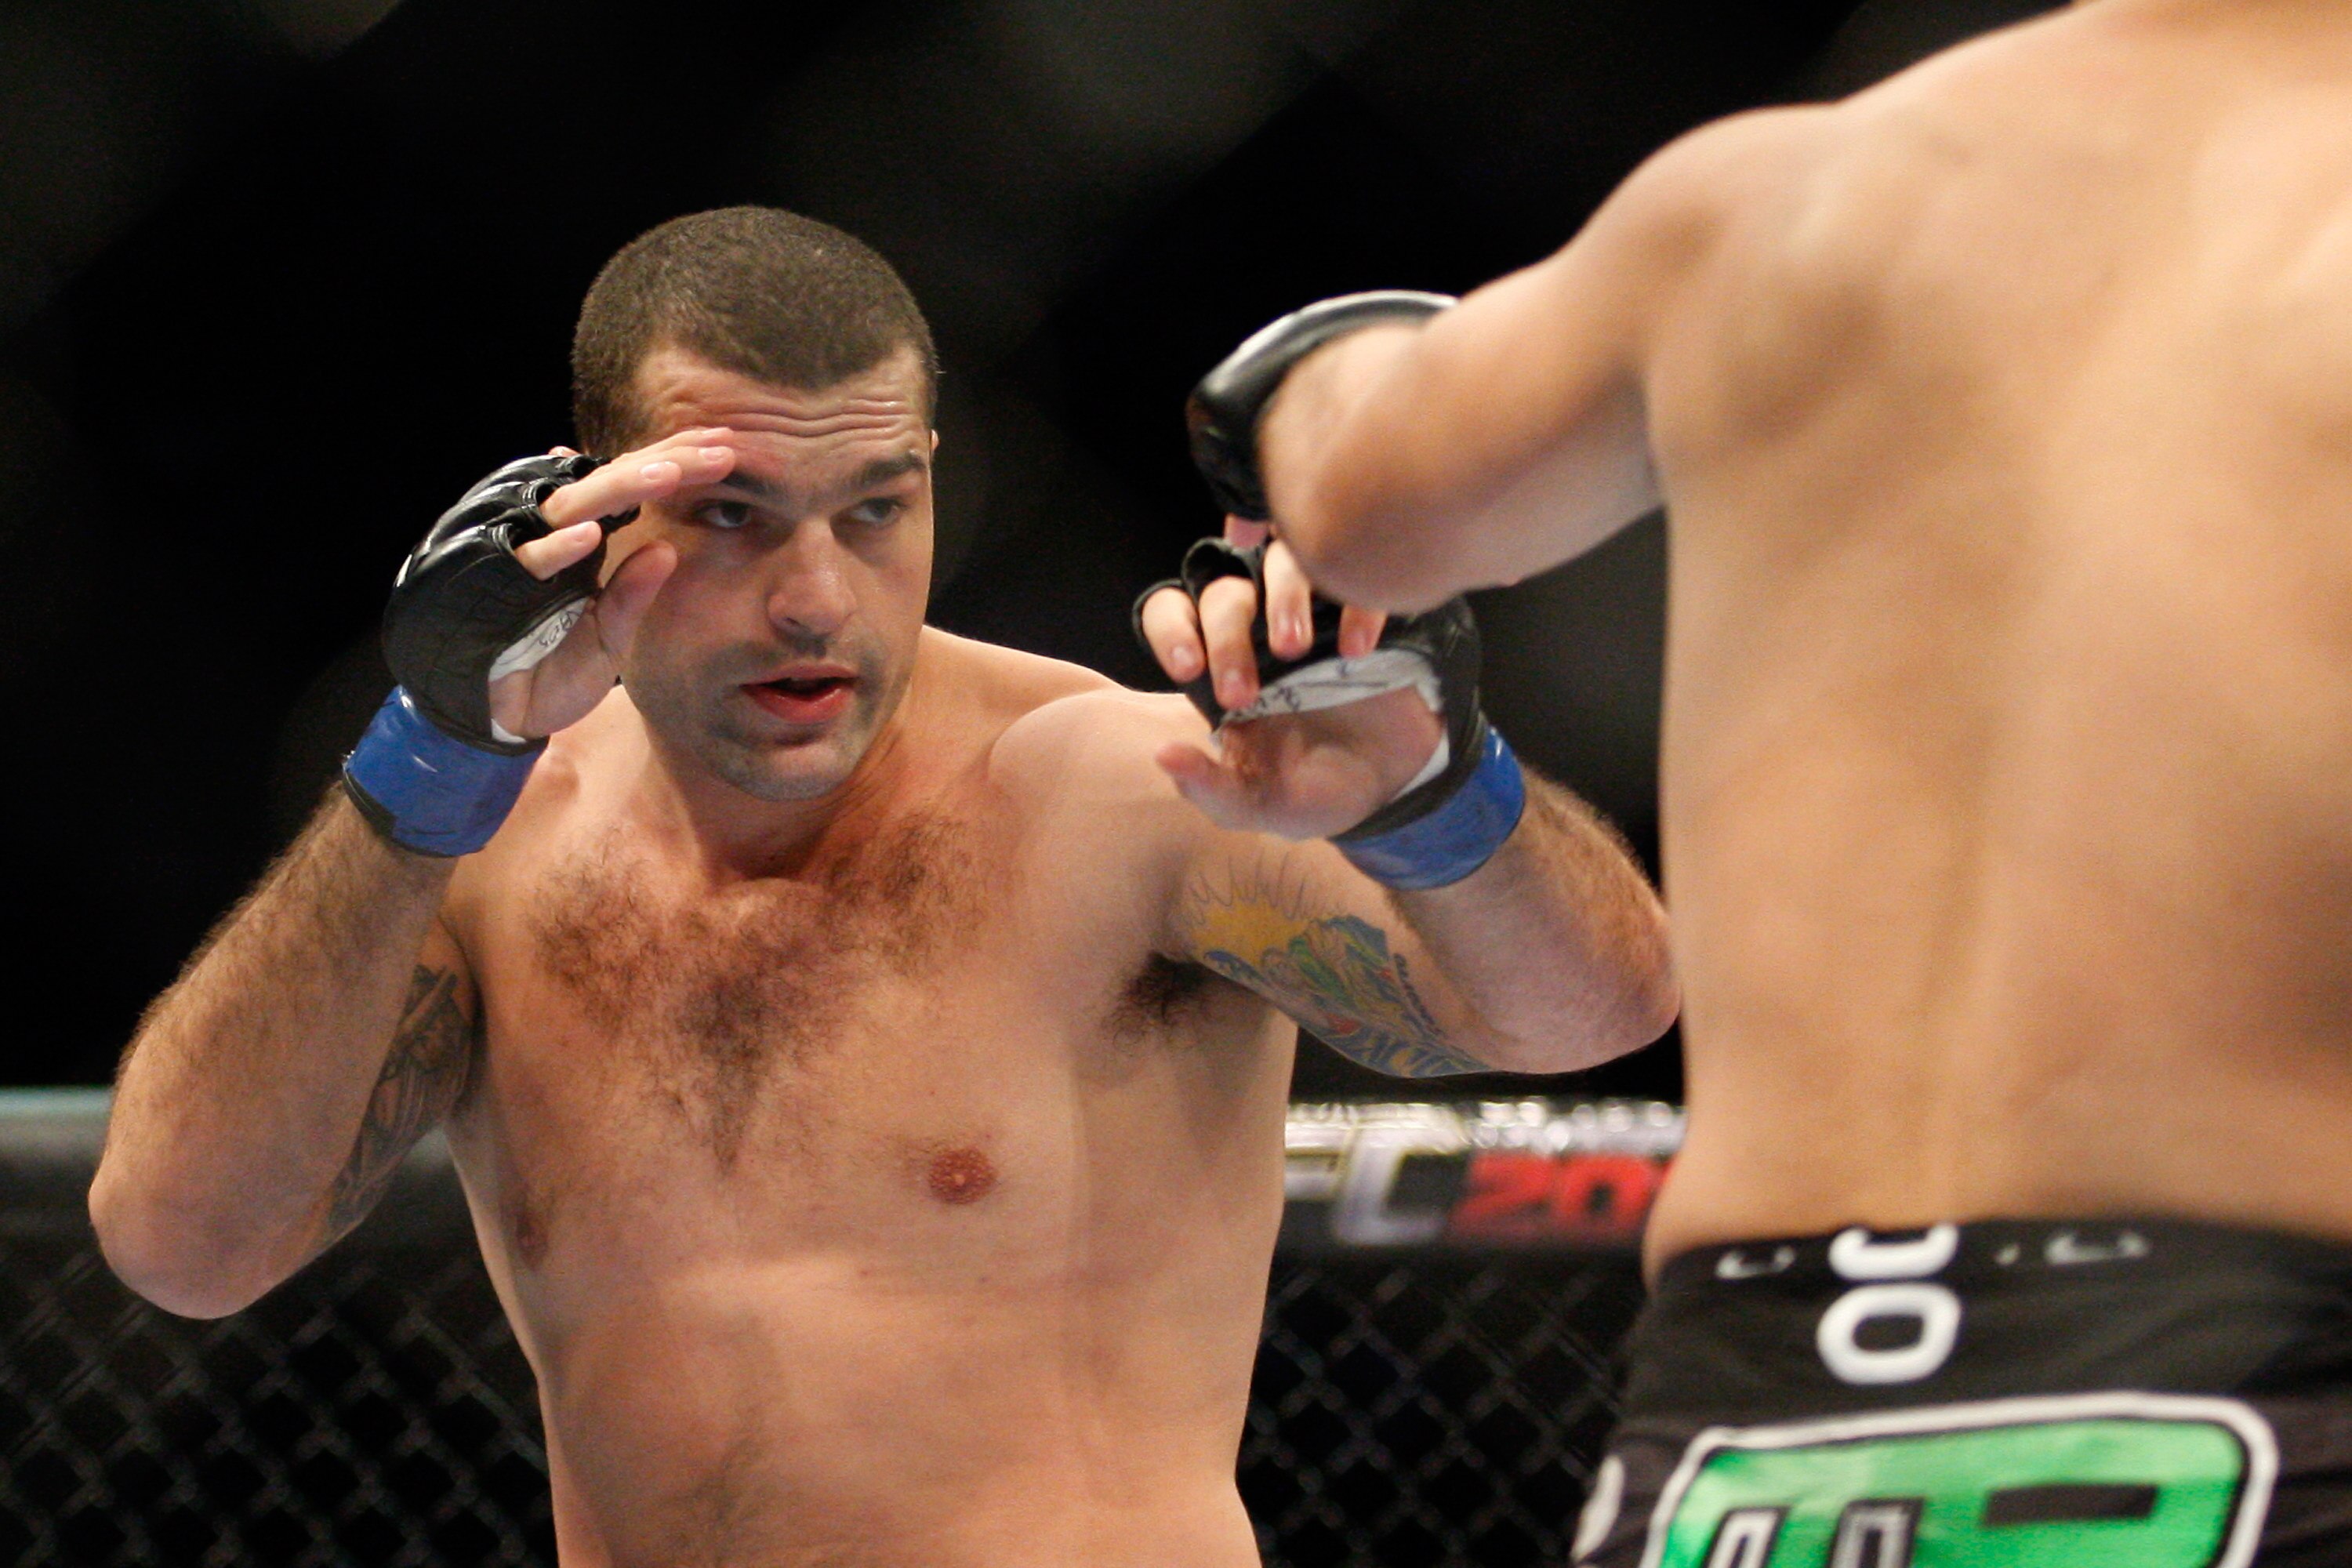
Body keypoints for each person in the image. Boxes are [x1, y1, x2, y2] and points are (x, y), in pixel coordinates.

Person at [86, 205, 1675, 1566]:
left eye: (874, 511)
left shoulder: (1112, 785)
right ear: (588, 509)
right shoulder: (477, 850)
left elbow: (1586, 1012)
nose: (813, 598)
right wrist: (426, 751)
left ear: (931, 476)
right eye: (731, 515)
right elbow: (183, 1240)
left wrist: (1435, 788)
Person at [1178, 1, 2352, 1561]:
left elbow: (1348, 488)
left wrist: (1326, 371)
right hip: (2266, 1401)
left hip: (1751, 1456)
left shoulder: (1764, 206)